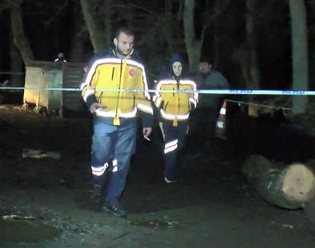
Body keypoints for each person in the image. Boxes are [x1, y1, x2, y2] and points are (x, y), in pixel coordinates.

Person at [80, 26, 154, 217]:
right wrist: (91, 101)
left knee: (122, 164)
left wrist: (147, 121)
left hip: (128, 122)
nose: (128, 46)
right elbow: (85, 84)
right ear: (115, 41)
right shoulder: (100, 59)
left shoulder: (138, 65)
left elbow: (143, 95)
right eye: (124, 42)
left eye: (131, 43)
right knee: (99, 158)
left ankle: (112, 200)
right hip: (104, 119)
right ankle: (97, 185)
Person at [152, 54, 198, 183]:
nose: (178, 69)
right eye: (175, 66)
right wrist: (164, 105)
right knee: (170, 146)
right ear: (171, 67)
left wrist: (189, 105)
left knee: (180, 145)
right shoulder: (163, 81)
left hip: (184, 119)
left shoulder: (189, 82)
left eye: (179, 66)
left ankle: (173, 165)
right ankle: (169, 174)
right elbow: (155, 96)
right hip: (167, 119)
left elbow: (195, 97)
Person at [191, 57, 230, 147]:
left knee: (209, 131)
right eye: (200, 65)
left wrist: (215, 94)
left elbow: (226, 88)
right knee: (195, 131)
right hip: (196, 110)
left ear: (210, 66)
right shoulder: (195, 77)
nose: (202, 67)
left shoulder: (217, 76)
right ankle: (195, 150)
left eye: (204, 65)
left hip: (211, 108)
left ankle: (208, 151)